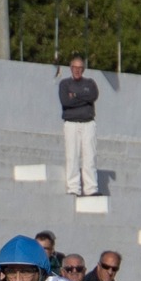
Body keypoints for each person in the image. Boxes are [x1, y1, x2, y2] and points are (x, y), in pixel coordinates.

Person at [59, 54, 99, 196]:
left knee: (90, 157)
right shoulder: (64, 84)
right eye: (74, 67)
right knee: (72, 156)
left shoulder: (90, 83)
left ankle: (91, 188)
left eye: (80, 68)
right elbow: (66, 102)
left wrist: (75, 96)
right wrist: (83, 98)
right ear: (71, 68)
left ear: (83, 69)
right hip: (71, 124)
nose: (77, 70)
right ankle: (73, 188)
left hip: (88, 124)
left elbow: (93, 96)